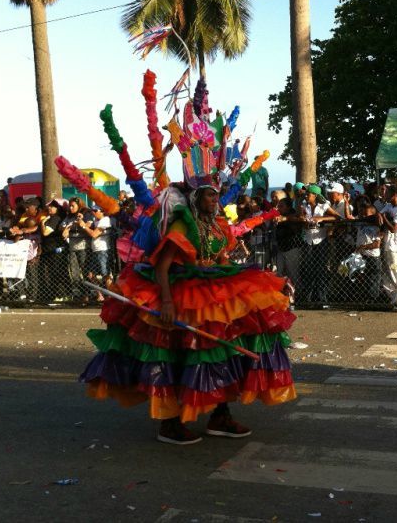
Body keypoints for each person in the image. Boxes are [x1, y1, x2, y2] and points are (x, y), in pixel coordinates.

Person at [80, 184, 297, 445]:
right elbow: (162, 267)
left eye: (216, 193)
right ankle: (169, 422)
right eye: (208, 193)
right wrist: (168, 303)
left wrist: (245, 285)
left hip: (213, 292)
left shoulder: (217, 225)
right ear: (195, 198)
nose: (215, 198)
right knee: (178, 356)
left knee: (223, 354)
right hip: (182, 292)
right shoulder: (182, 225)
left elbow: (221, 258)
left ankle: (220, 414)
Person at [299, 184, 338, 305]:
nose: (306, 195)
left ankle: (322, 299)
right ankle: (308, 299)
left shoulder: (323, 206)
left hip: (320, 240)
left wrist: (321, 219)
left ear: (315, 195)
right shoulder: (303, 205)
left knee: (321, 269)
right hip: (307, 240)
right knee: (308, 269)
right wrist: (303, 219)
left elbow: (336, 217)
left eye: (308, 194)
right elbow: (300, 216)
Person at [380, 186, 397, 305]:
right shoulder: (389, 206)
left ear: (395, 195)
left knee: (395, 270)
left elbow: (394, 229)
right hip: (388, 243)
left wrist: (385, 218)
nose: (385, 194)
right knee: (387, 271)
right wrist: (383, 217)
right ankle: (393, 296)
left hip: (396, 245)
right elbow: (379, 214)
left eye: (388, 193)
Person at [62, 197, 90, 303]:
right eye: (70, 205)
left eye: (73, 205)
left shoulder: (86, 214)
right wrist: (67, 228)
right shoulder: (69, 216)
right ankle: (78, 293)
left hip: (83, 247)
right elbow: (62, 226)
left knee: (85, 270)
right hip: (72, 248)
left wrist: (70, 227)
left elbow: (87, 225)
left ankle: (88, 293)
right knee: (74, 272)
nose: (71, 207)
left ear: (79, 205)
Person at [354, 199, 382, 301]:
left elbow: (377, 244)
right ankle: (365, 299)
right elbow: (349, 217)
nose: (364, 216)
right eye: (362, 214)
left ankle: (373, 300)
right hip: (363, 255)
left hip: (372, 257)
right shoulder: (361, 223)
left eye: (366, 214)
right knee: (363, 278)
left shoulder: (375, 227)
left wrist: (363, 247)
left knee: (373, 279)